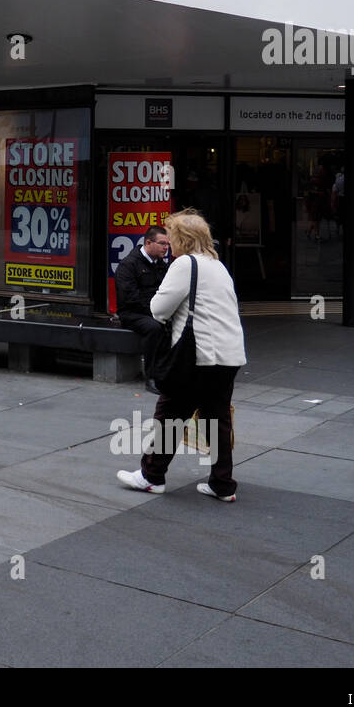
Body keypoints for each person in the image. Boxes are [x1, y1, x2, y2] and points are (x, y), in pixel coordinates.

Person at [117, 210, 245, 502]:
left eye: (171, 237)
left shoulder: (184, 264)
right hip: (230, 353)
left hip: (198, 355)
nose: (169, 244)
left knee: (171, 412)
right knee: (218, 418)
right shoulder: (218, 265)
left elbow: (158, 309)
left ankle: (151, 476)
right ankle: (222, 484)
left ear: (181, 239)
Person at [114, 225, 170, 394]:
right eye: (162, 243)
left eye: (167, 244)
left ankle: (169, 371)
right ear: (148, 242)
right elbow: (130, 298)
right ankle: (151, 377)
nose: (166, 247)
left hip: (155, 311)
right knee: (154, 327)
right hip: (132, 313)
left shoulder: (161, 264)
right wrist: (156, 312)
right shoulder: (129, 265)